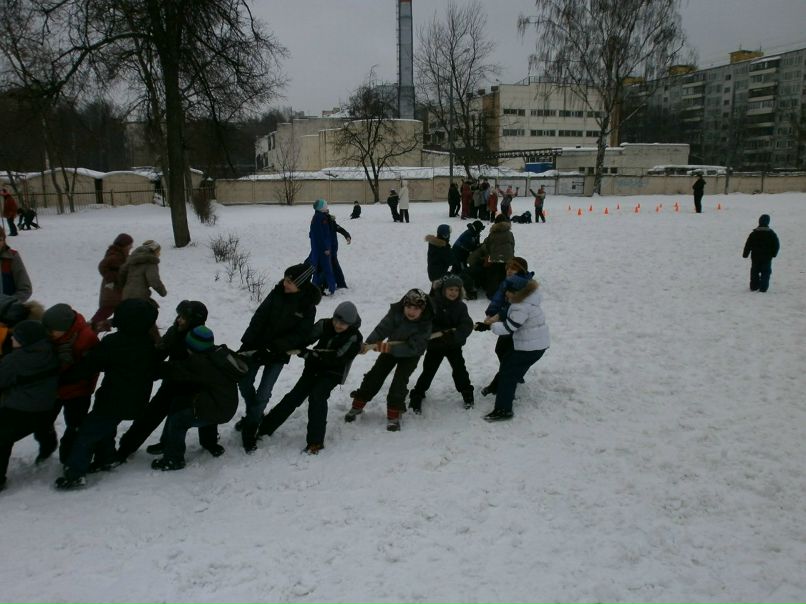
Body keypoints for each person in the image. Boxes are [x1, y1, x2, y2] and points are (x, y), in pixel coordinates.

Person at [54, 299, 159, 490]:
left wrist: (62, 379)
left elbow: (91, 365)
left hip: (112, 399)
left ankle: (75, 473)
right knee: (107, 427)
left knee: (87, 434)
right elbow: (155, 371)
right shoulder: (148, 344)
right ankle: (107, 458)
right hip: (136, 401)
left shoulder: (113, 343)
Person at [116, 300, 222, 462]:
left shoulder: (201, 336)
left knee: (200, 409)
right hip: (172, 382)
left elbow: (203, 366)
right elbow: (161, 351)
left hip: (194, 386)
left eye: (184, 317)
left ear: (194, 320)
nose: (179, 319)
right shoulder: (175, 331)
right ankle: (126, 447)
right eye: (179, 315)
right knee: (151, 414)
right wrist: (149, 368)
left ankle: (209, 443)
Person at [257, 301, 363, 454]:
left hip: (332, 373)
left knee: (317, 398)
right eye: (336, 321)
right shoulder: (325, 325)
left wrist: (309, 354)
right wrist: (289, 345)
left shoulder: (354, 337)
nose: (338, 325)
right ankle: (265, 427)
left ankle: (315, 442)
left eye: (343, 324)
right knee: (294, 397)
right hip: (314, 368)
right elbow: (306, 337)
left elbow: (337, 357)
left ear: (350, 323)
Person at [236, 263, 321, 452]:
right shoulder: (277, 292)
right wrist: (249, 343)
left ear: (300, 284)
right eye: (285, 279)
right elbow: (259, 317)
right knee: (244, 380)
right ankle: (254, 415)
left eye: (289, 282)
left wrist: (275, 347)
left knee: (264, 392)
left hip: (278, 353)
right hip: (256, 347)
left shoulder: (307, 306)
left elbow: (300, 334)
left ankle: (250, 427)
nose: (285, 283)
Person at [150, 326, 239, 471]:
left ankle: (174, 459)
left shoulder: (199, 363)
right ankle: (210, 443)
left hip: (218, 409)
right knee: (197, 402)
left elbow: (172, 370)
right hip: (225, 404)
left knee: (178, 419)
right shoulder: (217, 354)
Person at [344, 288, 433, 432]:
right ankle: (357, 405)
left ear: (422, 309)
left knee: (399, 382)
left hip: (411, 354)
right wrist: (369, 343)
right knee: (375, 375)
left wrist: (388, 349)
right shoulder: (396, 314)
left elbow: (415, 347)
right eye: (408, 307)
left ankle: (394, 414)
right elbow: (382, 329)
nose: (411, 311)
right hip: (390, 349)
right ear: (404, 306)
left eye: (416, 308)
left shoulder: (426, 323)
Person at [474, 275, 549, 421]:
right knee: (508, 364)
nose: (506, 294)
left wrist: (490, 327)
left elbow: (509, 328)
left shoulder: (520, 307)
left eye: (508, 291)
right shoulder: (526, 301)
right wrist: (488, 324)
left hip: (530, 347)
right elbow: (506, 314)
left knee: (509, 374)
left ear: (517, 292)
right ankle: (497, 387)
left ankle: (504, 409)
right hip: (533, 345)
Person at [36, 303, 100, 465]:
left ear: (65, 328)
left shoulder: (87, 338)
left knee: (75, 425)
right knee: (42, 421)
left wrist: (58, 379)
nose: (48, 334)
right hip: (54, 389)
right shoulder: (51, 336)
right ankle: (47, 445)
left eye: (51, 331)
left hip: (78, 391)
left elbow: (88, 369)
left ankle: (68, 457)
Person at [0, 320, 59, 492]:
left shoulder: (14, 360)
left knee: (2, 439)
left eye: (15, 338)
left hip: (18, 410)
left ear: (25, 341)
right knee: (43, 425)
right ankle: (48, 446)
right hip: (46, 405)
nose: (12, 339)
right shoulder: (51, 350)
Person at [408, 275, 474, 414]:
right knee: (429, 371)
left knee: (459, 369)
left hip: (453, 345)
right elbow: (426, 323)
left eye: (456, 290)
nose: (453, 293)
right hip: (436, 345)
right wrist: (439, 333)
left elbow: (466, 324)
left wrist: (455, 336)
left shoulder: (461, 307)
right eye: (450, 289)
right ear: (444, 290)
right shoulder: (433, 304)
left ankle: (467, 392)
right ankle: (418, 394)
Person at [479, 257, 533, 397]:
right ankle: (514, 374)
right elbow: (498, 298)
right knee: (501, 350)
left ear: (521, 270)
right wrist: (491, 313)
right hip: (507, 324)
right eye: (508, 268)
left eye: (513, 268)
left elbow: (512, 307)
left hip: (518, 328)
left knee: (508, 356)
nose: (509, 271)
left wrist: (496, 317)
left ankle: (502, 382)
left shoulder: (523, 286)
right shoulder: (507, 282)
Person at [90, 233, 133, 333]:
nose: (131, 246)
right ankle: (89, 332)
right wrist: (112, 278)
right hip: (112, 291)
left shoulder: (120, 254)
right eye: (130, 244)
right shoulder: (115, 255)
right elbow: (102, 266)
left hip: (116, 290)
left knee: (115, 311)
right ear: (124, 244)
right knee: (105, 311)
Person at [119, 239, 167, 304]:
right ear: (154, 251)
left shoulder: (131, 260)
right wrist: (162, 291)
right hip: (140, 297)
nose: (159, 254)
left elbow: (121, 273)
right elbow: (153, 280)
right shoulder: (150, 262)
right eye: (158, 252)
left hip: (125, 296)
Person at [742, 214, 780, 293]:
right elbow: (776, 245)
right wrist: (774, 253)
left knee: (754, 271)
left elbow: (748, 244)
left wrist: (745, 254)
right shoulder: (771, 234)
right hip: (767, 257)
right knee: (766, 272)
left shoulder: (754, 233)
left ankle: (754, 286)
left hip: (755, 257)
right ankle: (763, 287)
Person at [308, 199, 337, 296]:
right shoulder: (319, 218)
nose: (327, 206)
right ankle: (330, 288)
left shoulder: (319, 216)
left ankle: (315, 288)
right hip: (322, 249)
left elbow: (311, 233)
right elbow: (319, 235)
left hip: (319, 248)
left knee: (317, 269)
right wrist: (325, 248)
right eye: (325, 205)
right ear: (321, 207)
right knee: (326, 269)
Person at [0, 227, 32, 302]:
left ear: (4, 241)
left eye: (0, 240)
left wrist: (8, 304)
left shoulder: (11, 257)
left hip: (6, 310)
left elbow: (25, 289)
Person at [426, 224, 454, 292]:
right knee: (458, 278)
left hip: (433, 273)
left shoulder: (434, 244)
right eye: (448, 234)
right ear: (445, 235)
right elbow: (450, 261)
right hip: (438, 276)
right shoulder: (442, 248)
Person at [328, 212, 351, 290]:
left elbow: (341, 229)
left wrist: (347, 236)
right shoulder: (322, 223)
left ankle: (341, 283)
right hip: (327, 248)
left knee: (334, 265)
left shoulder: (331, 223)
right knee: (330, 265)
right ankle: (332, 282)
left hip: (332, 248)